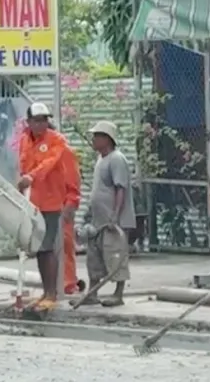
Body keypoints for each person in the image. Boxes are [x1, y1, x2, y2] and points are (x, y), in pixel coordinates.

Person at [17, 102, 71, 310]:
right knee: (39, 248)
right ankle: (45, 291)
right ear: (29, 122)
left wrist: (31, 176)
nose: (41, 125)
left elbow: (49, 163)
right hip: (31, 202)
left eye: (44, 120)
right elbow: (23, 166)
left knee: (47, 246)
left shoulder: (57, 140)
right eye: (37, 121)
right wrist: (23, 182)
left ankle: (52, 293)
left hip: (50, 201)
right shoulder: (24, 140)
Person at [82, 120, 136, 307]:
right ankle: (93, 292)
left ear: (107, 139)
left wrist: (115, 215)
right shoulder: (101, 159)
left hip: (114, 220)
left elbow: (120, 188)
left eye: (97, 136)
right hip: (99, 220)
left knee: (116, 256)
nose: (93, 139)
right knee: (94, 257)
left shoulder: (116, 159)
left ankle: (118, 294)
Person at [60, 134, 83, 297]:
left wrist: (70, 205)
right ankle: (57, 282)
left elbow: (73, 183)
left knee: (65, 245)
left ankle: (69, 283)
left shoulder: (64, 152)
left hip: (62, 207)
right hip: (46, 206)